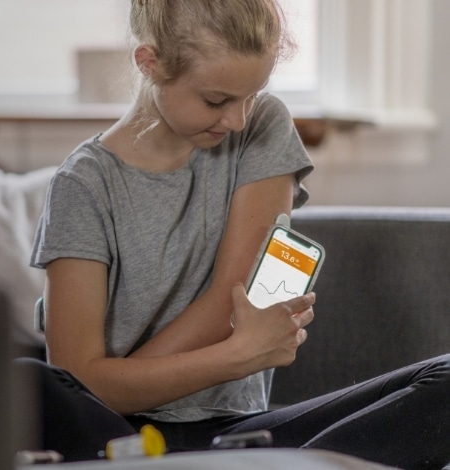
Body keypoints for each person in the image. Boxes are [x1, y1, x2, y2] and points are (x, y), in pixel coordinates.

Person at [23, 0, 450, 468]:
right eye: (216, 100)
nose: (237, 120)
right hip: (118, 436)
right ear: (149, 62)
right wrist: (237, 356)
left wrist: (122, 376)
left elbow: (235, 295)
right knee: (31, 381)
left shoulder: (262, 127)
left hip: (238, 434)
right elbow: (78, 383)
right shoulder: (83, 184)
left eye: (251, 95)